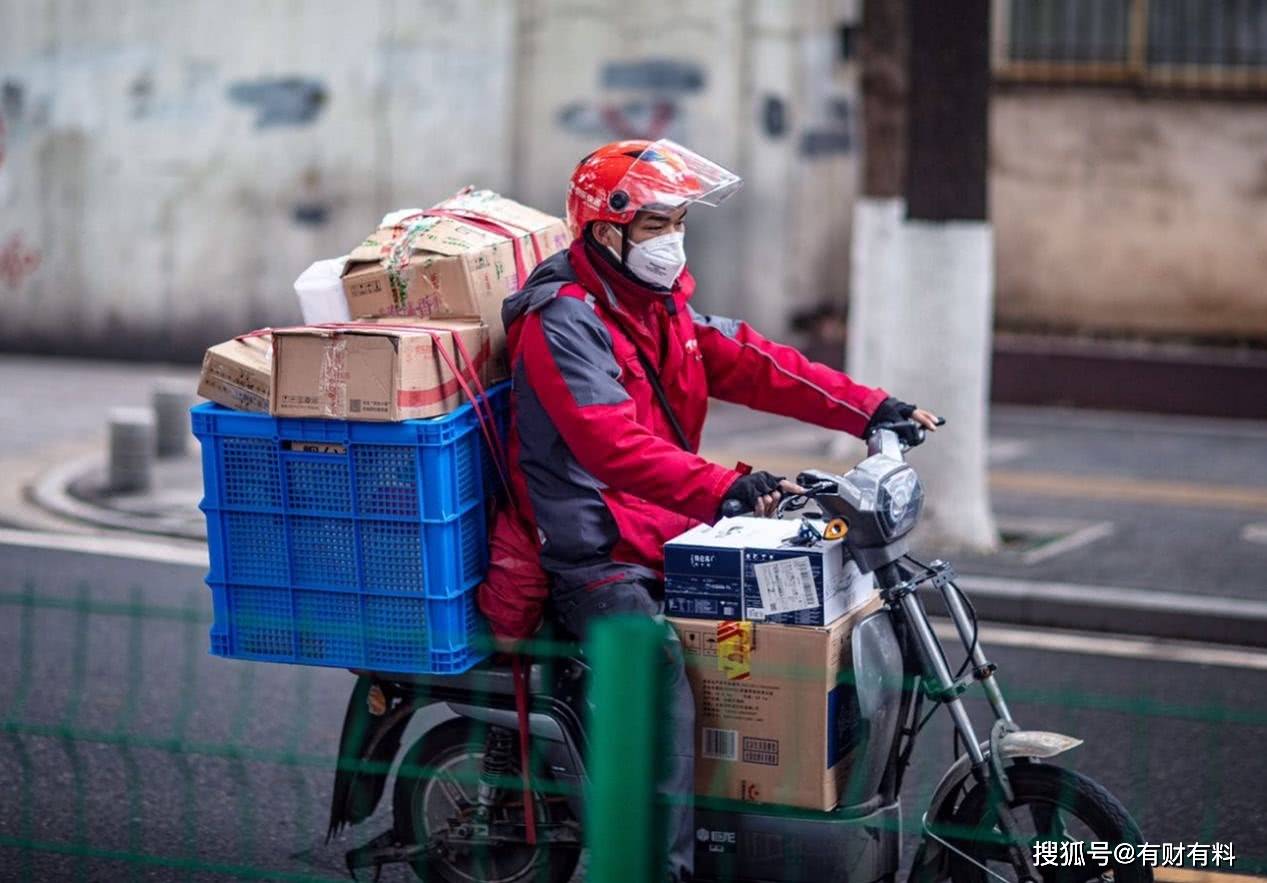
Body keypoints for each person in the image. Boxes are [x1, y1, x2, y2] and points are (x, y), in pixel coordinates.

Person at [481, 139, 938, 881]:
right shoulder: (561, 321)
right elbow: (609, 446)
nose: (673, 239)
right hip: (590, 546)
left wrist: (870, 409)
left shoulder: (659, 308)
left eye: (679, 221)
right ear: (607, 232)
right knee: (660, 670)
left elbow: (758, 361)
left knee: (786, 609)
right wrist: (723, 487)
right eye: (657, 224)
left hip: (660, 524)